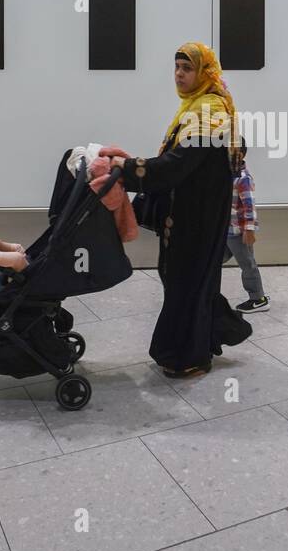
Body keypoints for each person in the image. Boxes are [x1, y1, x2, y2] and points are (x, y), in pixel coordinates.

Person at [102, 41, 252, 377]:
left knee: (186, 282)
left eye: (187, 68)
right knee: (190, 280)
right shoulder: (198, 105)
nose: (179, 74)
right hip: (189, 212)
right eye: (176, 67)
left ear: (204, 72)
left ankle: (187, 357)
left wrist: (129, 169)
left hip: (197, 217)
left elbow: (177, 164)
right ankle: (212, 331)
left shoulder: (209, 111)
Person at [225, 157, 269, 312]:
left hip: (238, 232)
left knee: (248, 265)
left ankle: (258, 299)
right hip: (226, 230)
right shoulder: (226, 174)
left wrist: (249, 230)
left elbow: (249, 206)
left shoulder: (243, 178)